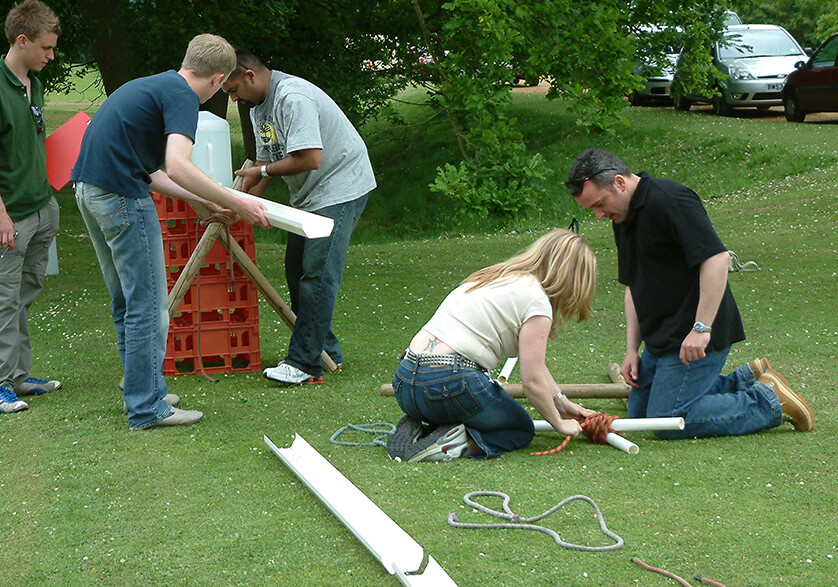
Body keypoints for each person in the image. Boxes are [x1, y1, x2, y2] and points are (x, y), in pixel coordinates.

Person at [72, 34, 270, 430]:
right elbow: (178, 164)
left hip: (88, 190)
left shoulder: (151, 86)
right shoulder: (182, 97)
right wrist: (238, 202)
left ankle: (141, 387)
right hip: (122, 198)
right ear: (217, 79)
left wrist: (203, 202)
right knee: (148, 305)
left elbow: (154, 171)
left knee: (128, 301)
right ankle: (147, 407)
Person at [566, 147, 814, 439]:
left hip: (695, 336)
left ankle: (770, 402)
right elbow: (633, 285)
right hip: (661, 340)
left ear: (620, 183)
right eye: (591, 210)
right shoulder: (622, 217)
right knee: (639, 415)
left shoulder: (670, 199)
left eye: (599, 203)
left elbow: (717, 259)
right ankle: (745, 379)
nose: (598, 215)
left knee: (664, 420)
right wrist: (632, 350)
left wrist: (701, 328)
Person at [221, 48, 375, 385]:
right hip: (309, 194)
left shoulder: (293, 98)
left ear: (249, 75)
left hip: (341, 186)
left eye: (233, 91)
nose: (234, 100)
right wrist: (239, 207)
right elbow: (262, 170)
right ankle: (325, 351)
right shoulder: (257, 108)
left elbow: (309, 158)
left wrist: (260, 170)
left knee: (318, 274)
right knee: (296, 270)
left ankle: (305, 364)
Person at [386, 229, 597, 462]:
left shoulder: (497, 277)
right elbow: (532, 382)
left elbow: (534, 364)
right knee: (520, 428)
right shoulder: (538, 302)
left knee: (461, 406)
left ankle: (419, 427)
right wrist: (558, 423)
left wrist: (562, 403)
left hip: (405, 383)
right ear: (574, 279)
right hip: (449, 383)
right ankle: (453, 444)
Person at [0, 0, 62, 414]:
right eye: (46, 48)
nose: (51, 56)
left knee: (24, 295)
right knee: (3, 300)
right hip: (11, 215)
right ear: (22, 41)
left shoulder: (33, 83)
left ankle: (19, 377)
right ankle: (1, 383)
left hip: (43, 206)